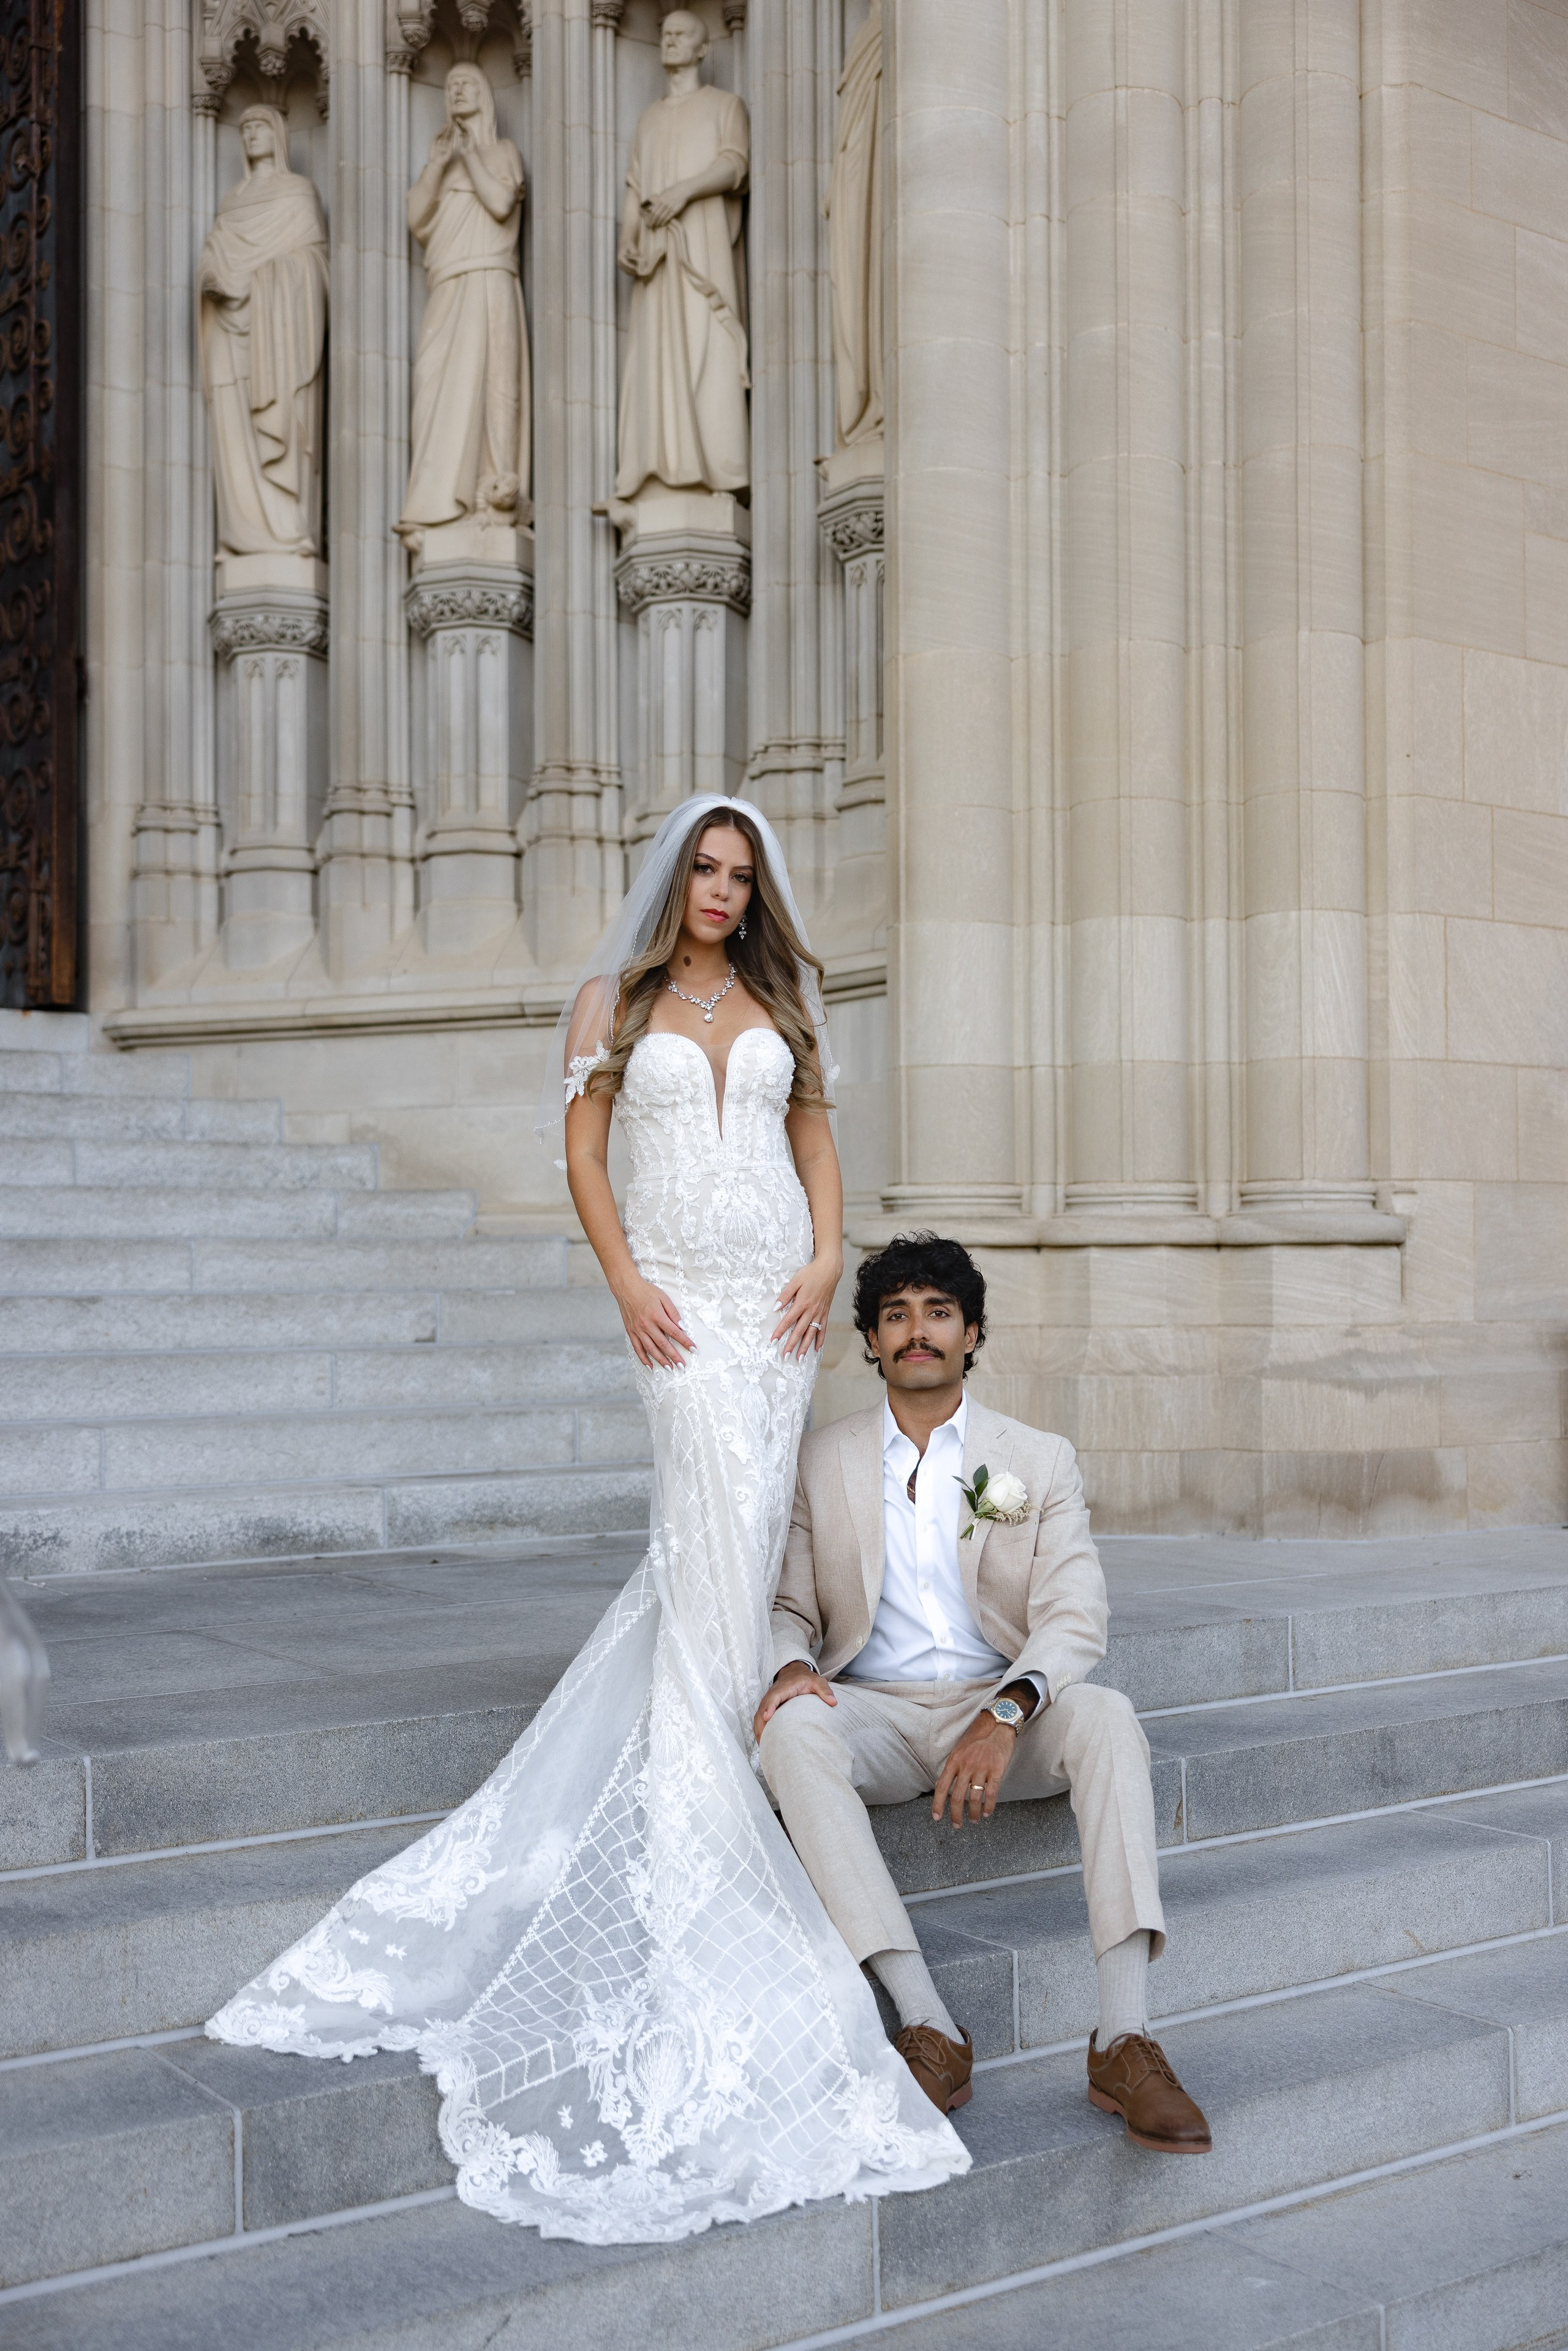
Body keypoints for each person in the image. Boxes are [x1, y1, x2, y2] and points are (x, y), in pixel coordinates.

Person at [207, 797, 968, 2243]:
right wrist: (626, 1284)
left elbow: (814, 1147)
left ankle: (730, 1742)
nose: (721, 891)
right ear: (673, 876)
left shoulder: (782, 1004)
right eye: (704, 868)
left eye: (740, 875)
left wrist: (827, 1262)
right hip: (676, 1305)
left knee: (734, 1542)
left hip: (774, 1305)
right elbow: (580, 1154)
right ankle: (713, 1805)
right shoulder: (607, 1001)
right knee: (707, 1524)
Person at [755, 1232, 1213, 2155]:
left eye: (938, 1312)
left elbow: (1074, 1613)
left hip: (1000, 1705)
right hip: (876, 1710)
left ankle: (1124, 2039)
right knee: (789, 1730)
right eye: (895, 1315)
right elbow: (786, 1606)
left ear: (971, 1333)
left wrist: (1005, 1713)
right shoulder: (820, 1460)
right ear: (872, 1342)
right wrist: (790, 1661)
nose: (916, 1331)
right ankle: (927, 2022)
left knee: (1109, 1717)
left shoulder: (1031, 1459)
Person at [398, 61, 530, 548]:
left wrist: (471, 157)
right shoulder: (441, 163)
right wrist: (438, 165)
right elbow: (417, 219)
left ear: (485, 96)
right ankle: (431, 506)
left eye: (467, 84)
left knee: (495, 387)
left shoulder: (502, 152)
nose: (456, 90)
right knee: (436, 389)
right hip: (447, 285)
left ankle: (491, 495)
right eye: (450, 85)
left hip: (489, 277)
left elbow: (500, 204)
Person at [197, 105, 328, 561]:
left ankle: (288, 532)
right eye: (246, 128)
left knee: (281, 419)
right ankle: (242, 535)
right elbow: (214, 251)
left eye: (260, 127)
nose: (251, 134)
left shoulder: (298, 192)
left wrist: (263, 281)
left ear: (278, 136)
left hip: (278, 333)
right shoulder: (232, 202)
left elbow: (315, 264)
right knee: (233, 428)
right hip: (228, 329)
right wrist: (212, 276)